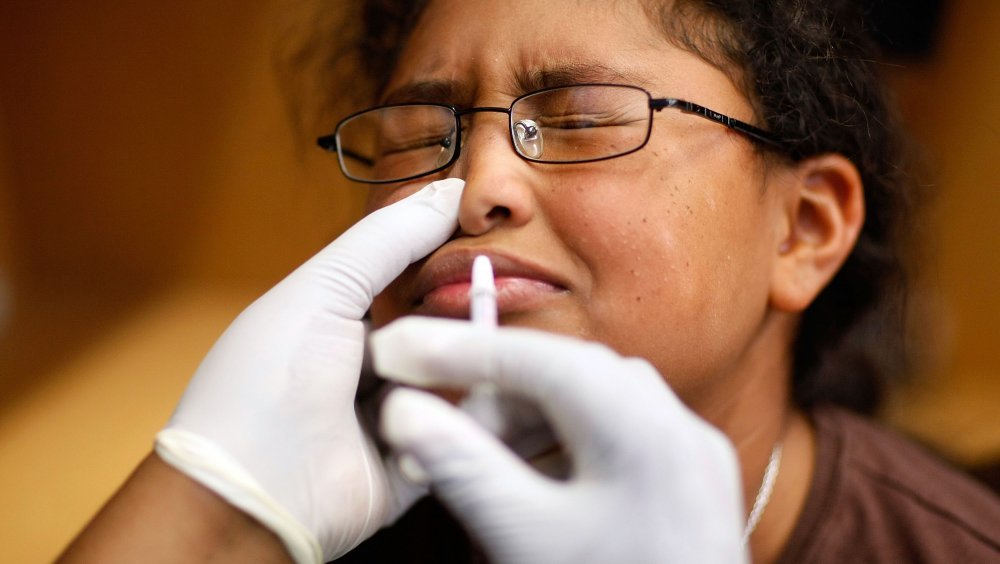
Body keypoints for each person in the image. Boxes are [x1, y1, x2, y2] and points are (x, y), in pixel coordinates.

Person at [61, 0, 1000, 563]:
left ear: (804, 229)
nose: (476, 187)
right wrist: (212, 502)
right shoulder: (334, 508)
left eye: (583, 117)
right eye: (424, 132)